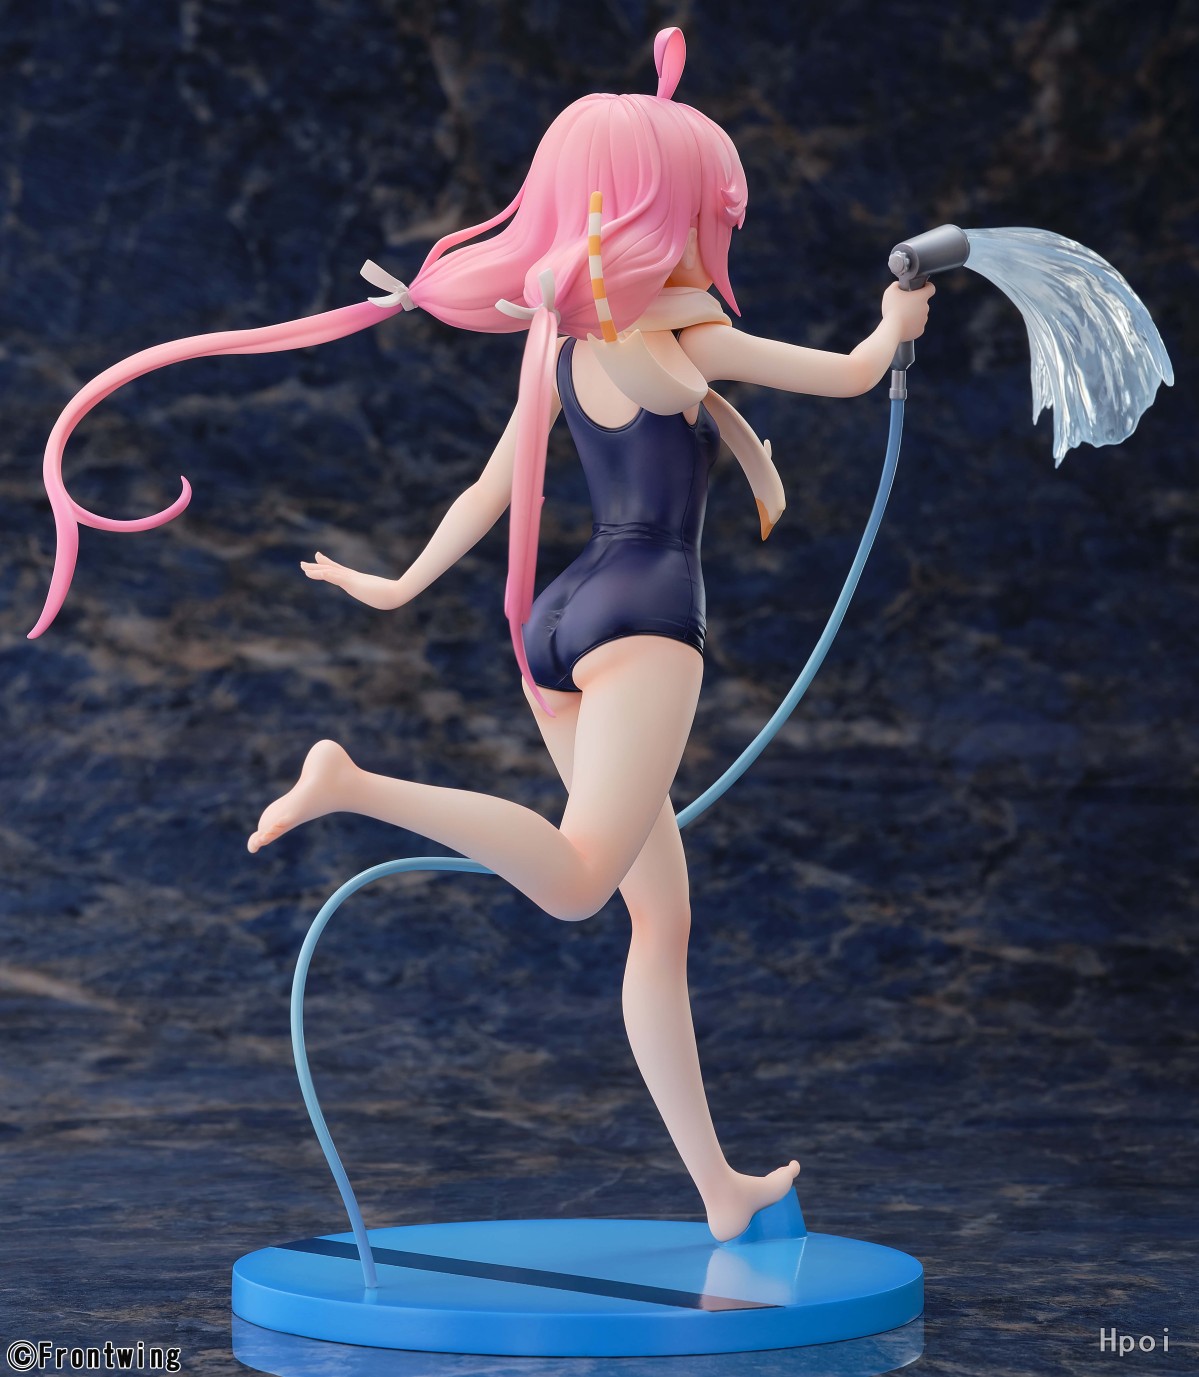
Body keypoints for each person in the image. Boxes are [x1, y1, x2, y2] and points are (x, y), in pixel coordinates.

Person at [31, 28, 931, 1242]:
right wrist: (893, 321)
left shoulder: (561, 354)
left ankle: (718, 1191)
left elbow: (488, 491)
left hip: (560, 621)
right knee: (578, 883)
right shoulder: (682, 336)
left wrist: (399, 583)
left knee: (657, 919)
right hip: (644, 621)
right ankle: (352, 783)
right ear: (666, 212)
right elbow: (852, 373)